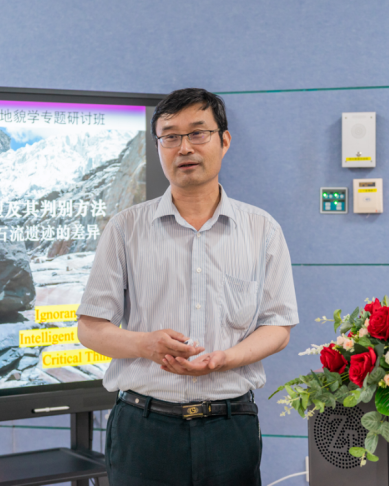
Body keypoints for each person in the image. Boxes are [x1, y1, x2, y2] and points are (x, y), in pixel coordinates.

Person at [77, 87, 299, 486]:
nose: (184, 148)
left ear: (224, 140)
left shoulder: (261, 229)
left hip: (229, 426)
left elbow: (278, 326)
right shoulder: (125, 228)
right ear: (158, 146)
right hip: (144, 427)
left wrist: (227, 358)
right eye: (170, 136)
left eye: (198, 133)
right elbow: (90, 328)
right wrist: (145, 344)